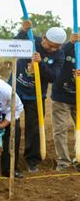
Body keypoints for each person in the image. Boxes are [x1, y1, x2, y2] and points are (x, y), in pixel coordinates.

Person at [11, 20, 65, 173]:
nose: (53, 49)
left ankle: (32, 160)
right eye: (50, 45)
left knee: (34, 129)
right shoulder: (30, 40)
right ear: (43, 39)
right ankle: (5, 156)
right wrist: (23, 30)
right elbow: (12, 46)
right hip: (16, 90)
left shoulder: (59, 54)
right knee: (10, 124)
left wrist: (40, 64)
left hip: (36, 96)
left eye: (57, 47)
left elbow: (53, 77)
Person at [50, 34, 80, 171]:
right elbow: (57, 56)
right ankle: (63, 163)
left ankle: (78, 159)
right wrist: (71, 42)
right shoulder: (66, 49)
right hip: (61, 97)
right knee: (60, 130)